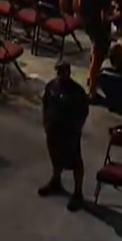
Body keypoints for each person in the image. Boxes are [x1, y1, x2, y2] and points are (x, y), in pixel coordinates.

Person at [40, 59, 92, 211]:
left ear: (68, 72)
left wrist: (77, 129)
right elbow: (45, 103)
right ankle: (56, 181)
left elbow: (83, 112)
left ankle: (78, 193)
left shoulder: (77, 92)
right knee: (55, 157)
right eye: (58, 72)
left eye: (63, 72)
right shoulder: (51, 86)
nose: (60, 75)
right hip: (53, 129)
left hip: (69, 132)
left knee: (75, 162)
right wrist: (45, 121)